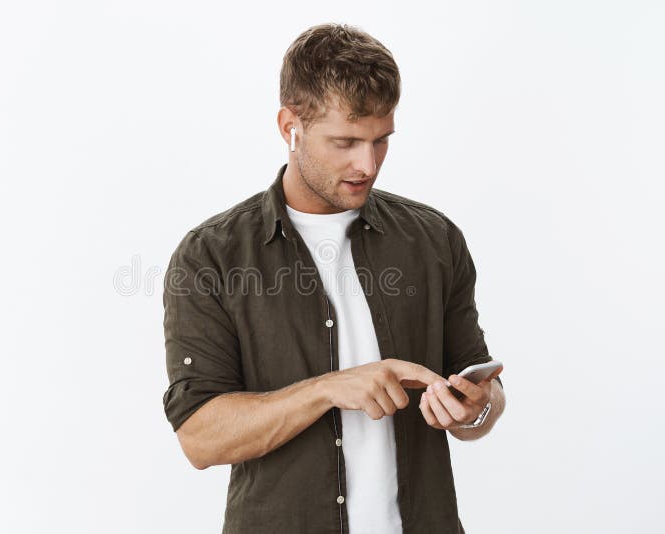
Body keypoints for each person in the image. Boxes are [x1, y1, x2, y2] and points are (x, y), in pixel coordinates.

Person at [161, 22, 506, 534]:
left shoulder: (434, 240)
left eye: (380, 141)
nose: (367, 164)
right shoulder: (211, 256)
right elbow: (200, 439)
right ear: (289, 125)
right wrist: (329, 390)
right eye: (344, 141)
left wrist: (474, 409)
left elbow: (484, 393)